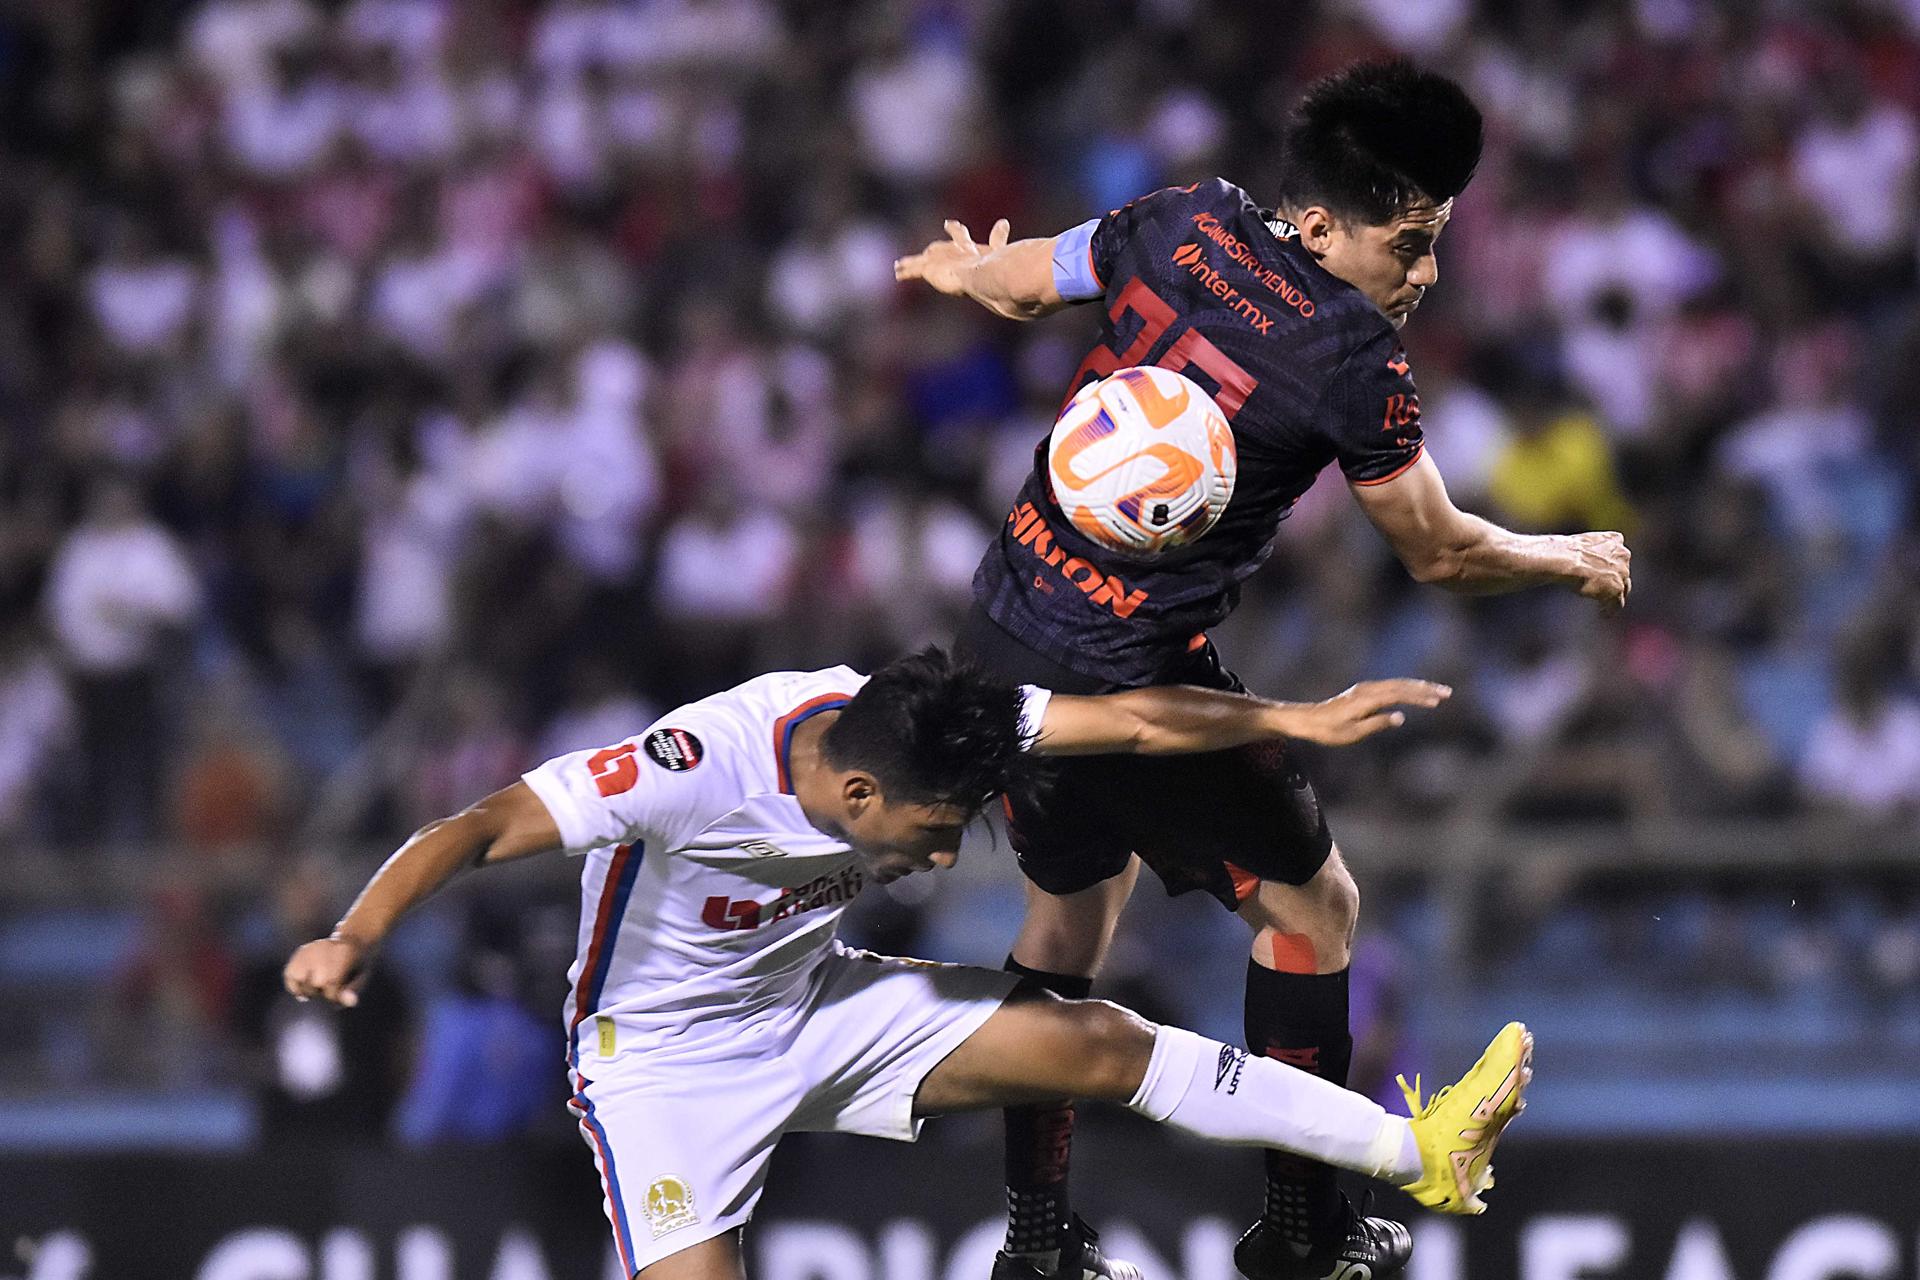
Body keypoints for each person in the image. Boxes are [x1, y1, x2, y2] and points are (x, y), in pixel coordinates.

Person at [893, 60, 1627, 1280]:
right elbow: (1439, 554)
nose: (1425, 274)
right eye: (1411, 241)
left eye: (1439, 241)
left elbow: (1028, 280)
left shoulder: (1185, 218)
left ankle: (1034, 1241)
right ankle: (1301, 1234)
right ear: (1329, 223)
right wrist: (1567, 555)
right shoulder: (1352, 355)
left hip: (1004, 628)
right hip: (1134, 681)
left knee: (1069, 913)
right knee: (1314, 910)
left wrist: (963, 267)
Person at [284, 650, 1531, 1280]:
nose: (944, 856)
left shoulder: (928, 722)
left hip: (817, 1002)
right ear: (859, 790)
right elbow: (480, 823)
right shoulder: (695, 765)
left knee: (1093, 1039)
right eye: (936, 830)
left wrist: (1288, 718)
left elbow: (1138, 718)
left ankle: (1413, 1148)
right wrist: (358, 931)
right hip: (660, 1069)